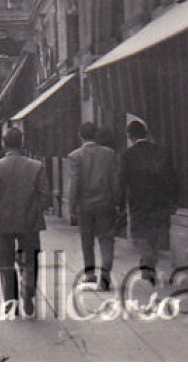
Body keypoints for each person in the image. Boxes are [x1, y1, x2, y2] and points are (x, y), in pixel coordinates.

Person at [0, 127, 51, 318]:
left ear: (4, 144)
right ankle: (28, 287)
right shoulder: (37, 167)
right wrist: (35, 210)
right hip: (30, 222)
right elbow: (46, 197)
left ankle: (10, 302)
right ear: (22, 143)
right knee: (30, 258)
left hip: (3, 222)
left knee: (6, 263)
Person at [121, 116, 178, 287]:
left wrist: (119, 201)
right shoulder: (161, 151)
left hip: (138, 201)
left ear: (130, 136)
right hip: (159, 200)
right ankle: (150, 257)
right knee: (154, 230)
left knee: (139, 233)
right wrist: (173, 199)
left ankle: (148, 260)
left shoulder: (127, 155)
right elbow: (171, 177)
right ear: (146, 133)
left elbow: (122, 180)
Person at [65, 120, 122, 289]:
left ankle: (90, 274)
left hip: (85, 205)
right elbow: (115, 181)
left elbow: (74, 183)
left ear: (80, 135)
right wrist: (117, 202)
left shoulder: (75, 156)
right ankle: (105, 276)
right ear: (95, 135)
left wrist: (71, 206)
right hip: (105, 203)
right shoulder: (109, 154)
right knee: (106, 239)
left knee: (86, 240)